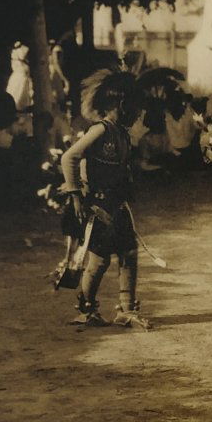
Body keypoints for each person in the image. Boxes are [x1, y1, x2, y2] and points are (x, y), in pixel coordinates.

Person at [58, 69, 152, 329]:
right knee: (100, 259)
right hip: (99, 206)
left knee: (129, 253)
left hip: (117, 205)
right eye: (134, 107)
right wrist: (75, 196)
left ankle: (127, 310)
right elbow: (69, 157)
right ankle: (87, 310)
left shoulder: (121, 133)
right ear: (121, 105)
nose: (137, 114)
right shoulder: (100, 130)